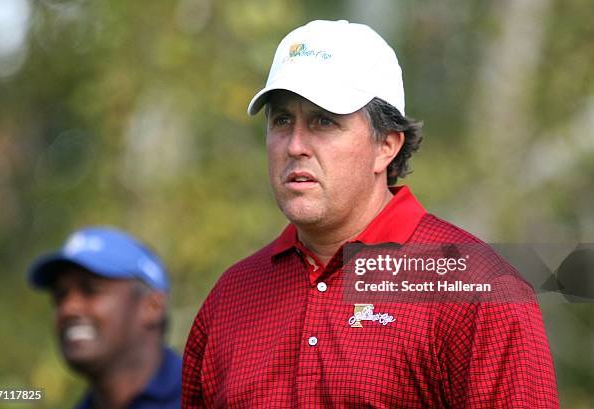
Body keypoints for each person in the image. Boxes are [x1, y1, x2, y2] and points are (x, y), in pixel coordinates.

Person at [182, 20, 559, 407]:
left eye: (324, 121)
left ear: (387, 146)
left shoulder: (478, 291)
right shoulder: (233, 295)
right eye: (282, 121)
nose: (295, 145)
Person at [28, 226, 181, 409]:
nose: (68, 309)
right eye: (60, 296)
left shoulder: (208, 397)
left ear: (152, 306)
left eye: (90, 290)